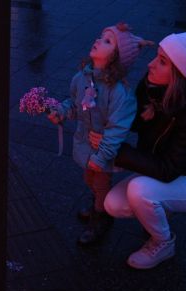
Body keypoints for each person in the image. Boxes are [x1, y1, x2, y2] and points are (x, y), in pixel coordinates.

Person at [98, 24, 186, 269]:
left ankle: (163, 243)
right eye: (156, 56)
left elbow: (168, 169)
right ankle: (162, 207)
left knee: (140, 190)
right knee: (113, 204)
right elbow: (132, 121)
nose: (151, 64)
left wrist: (118, 153)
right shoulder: (152, 88)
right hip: (160, 169)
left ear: (179, 74)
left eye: (162, 61)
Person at [48, 23, 151, 245]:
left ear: (116, 57)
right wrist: (62, 111)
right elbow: (76, 104)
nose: (98, 41)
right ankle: (97, 201)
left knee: (101, 181)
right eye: (100, 37)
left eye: (107, 41)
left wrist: (102, 155)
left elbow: (117, 129)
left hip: (104, 148)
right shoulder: (82, 78)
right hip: (86, 142)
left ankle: (101, 217)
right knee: (89, 178)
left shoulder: (120, 93)